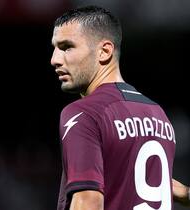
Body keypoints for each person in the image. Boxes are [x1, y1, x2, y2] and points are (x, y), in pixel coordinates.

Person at [50, 5, 190, 210]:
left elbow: (88, 201)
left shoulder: (84, 113)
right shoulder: (157, 114)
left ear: (104, 51)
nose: (54, 59)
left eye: (66, 47)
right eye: (54, 48)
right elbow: (142, 180)